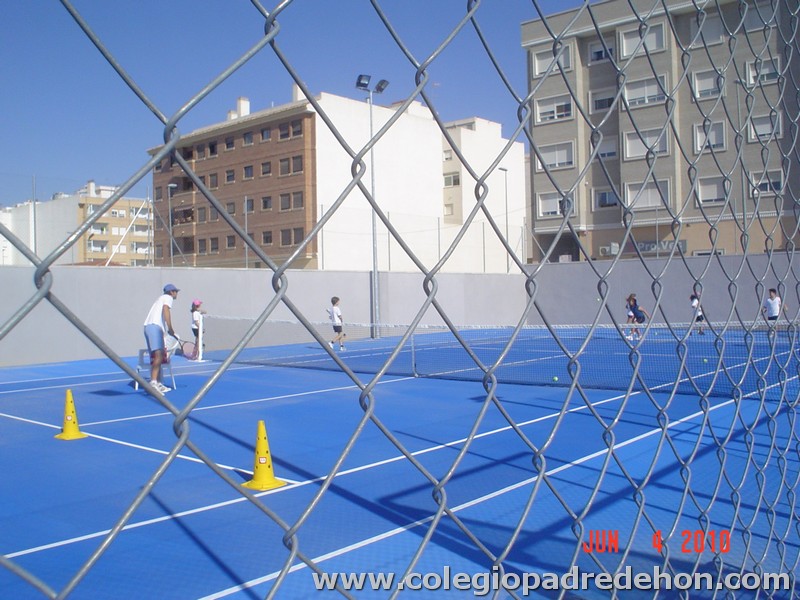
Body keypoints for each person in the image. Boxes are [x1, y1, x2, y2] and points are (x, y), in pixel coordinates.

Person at [143, 283, 180, 393]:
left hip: (148, 327)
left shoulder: (160, 298)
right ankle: (153, 382)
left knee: (155, 356)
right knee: (158, 355)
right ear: (171, 292)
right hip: (154, 327)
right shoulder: (168, 298)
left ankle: (158, 383)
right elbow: (166, 310)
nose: (177, 293)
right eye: (176, 291)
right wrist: (170, 328)